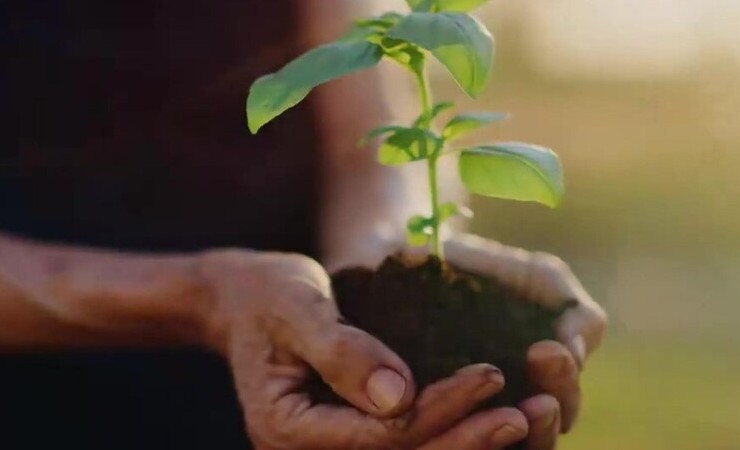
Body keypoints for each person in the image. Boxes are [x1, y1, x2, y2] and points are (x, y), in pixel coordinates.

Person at [1, 1, 607, 449]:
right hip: (37, 395)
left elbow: (364, 143)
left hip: (303, 357)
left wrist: (388, 251)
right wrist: (203, 297)